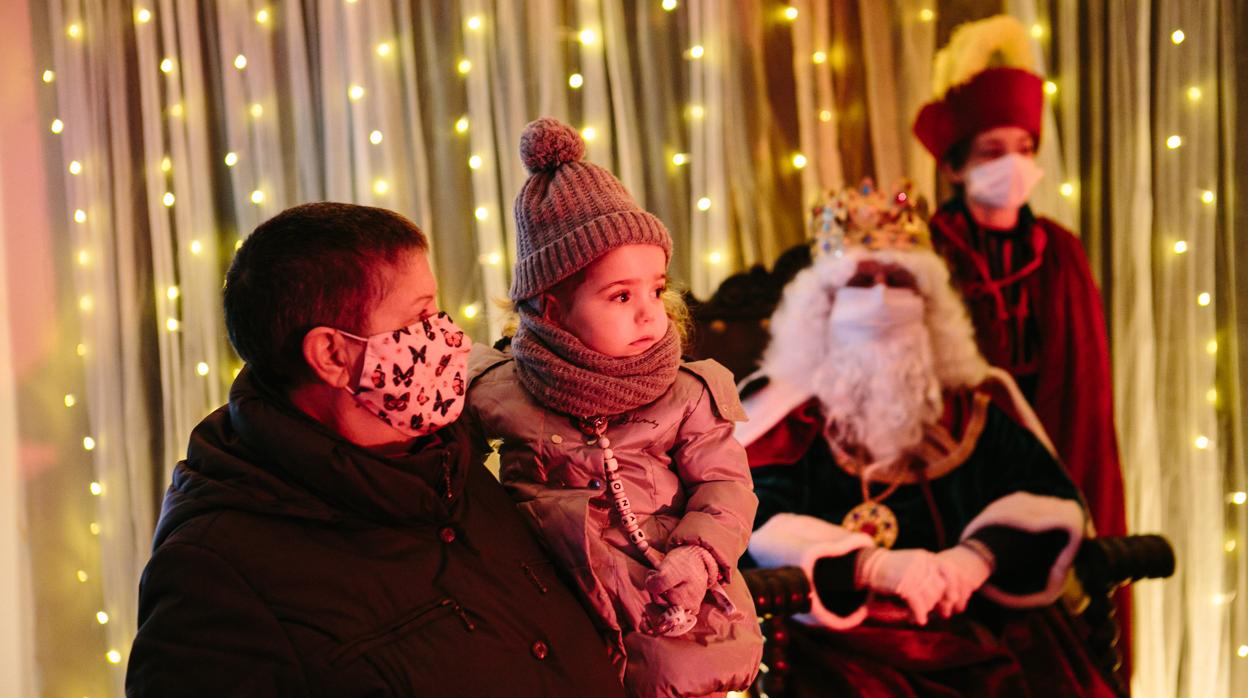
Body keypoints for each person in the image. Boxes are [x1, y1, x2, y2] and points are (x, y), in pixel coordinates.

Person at [126, 203, 624, 697]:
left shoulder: (447, 458)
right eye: (421, 316)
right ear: (331, 354)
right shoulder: (215, 577)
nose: (451, 336)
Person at [741, 182, 1115, 697]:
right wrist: (869, 565)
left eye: (898, 281)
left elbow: (1051, 498)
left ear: (930, 308)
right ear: (822, 309)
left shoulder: (974, 406)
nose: (879, 299)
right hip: (838, 637)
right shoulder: (785, 415)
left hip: (974, 615)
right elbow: (748, 519)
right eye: (861, 282)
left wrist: (978, 558)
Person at [465, 118, 763, 697]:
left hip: (669, 595)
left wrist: (698, 557)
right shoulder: (500, 390)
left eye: (656, 288)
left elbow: (726, 484)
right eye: (620, 296)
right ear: (551, 310)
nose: (650, 313)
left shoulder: (684, 391)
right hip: (554, 612)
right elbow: (449, 477)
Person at [911, 14, 1126, 546]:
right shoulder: (927, 251)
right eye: (992, 151)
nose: (1013, 164)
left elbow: (1087, 394)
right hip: (961, 468)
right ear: (957, 167)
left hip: (1057, 451)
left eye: (1024, 149)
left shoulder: (1059, 251)